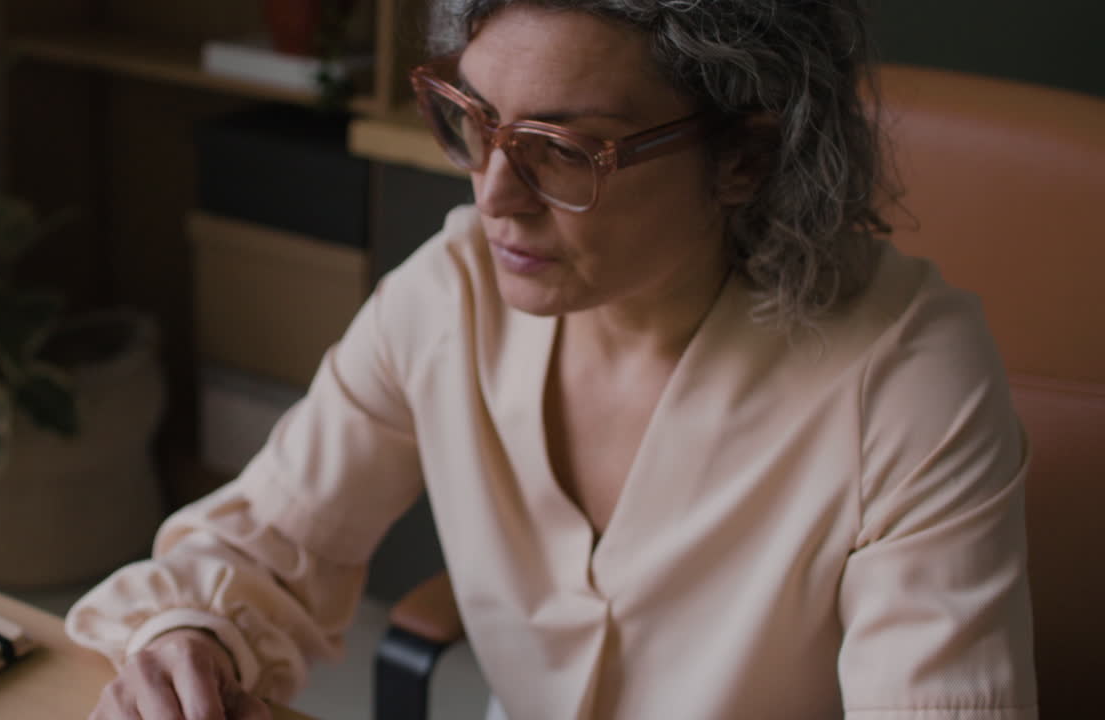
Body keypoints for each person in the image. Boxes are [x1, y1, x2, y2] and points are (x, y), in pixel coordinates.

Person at [68, 1, 1039, 718]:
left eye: (565, 150)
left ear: (744, 157)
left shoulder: (907, 382)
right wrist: (187, 639)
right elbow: (262, 548)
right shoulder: (447, 296)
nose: (494, 196)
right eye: (474, 118)